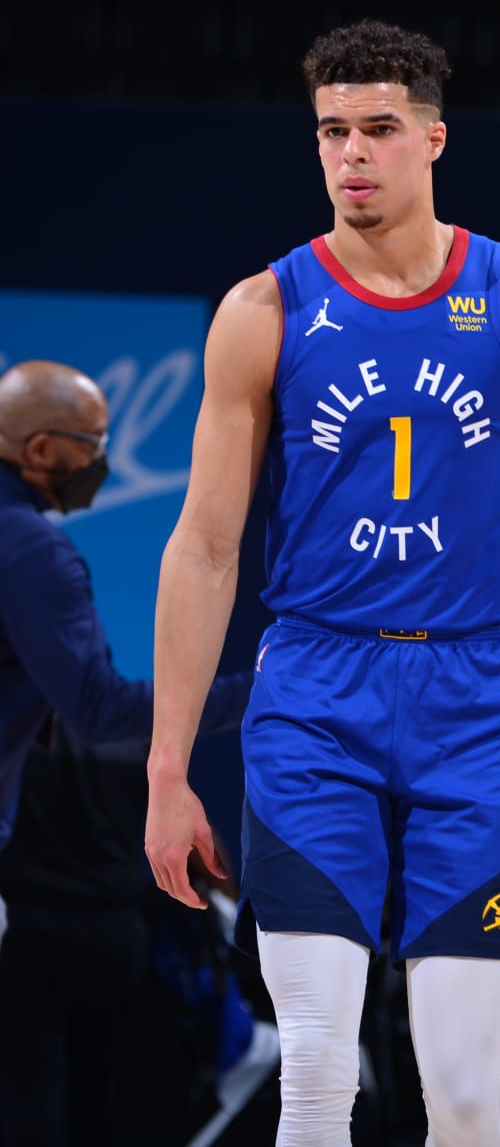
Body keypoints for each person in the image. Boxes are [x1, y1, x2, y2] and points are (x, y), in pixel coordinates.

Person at [142, 20, 500, 1146]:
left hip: (478, 703)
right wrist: (169, 769)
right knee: (317, 1071)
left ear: (433, 139)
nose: (352, 153)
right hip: (315, 694)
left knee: (463, 1085)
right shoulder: (263, 310)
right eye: (331, 132)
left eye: (378, 130)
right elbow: (205, 548)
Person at [0, 358, 252, 1142]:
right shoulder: (32, 551)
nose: (105, 457)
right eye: (93, 441)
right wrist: (264, 689)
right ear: (40, 449)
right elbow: (101, 709)